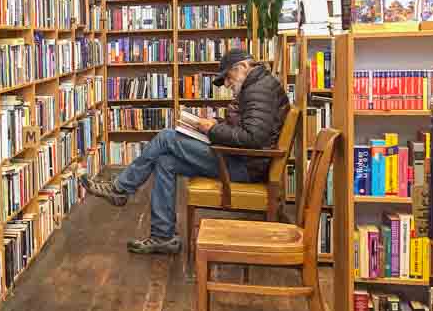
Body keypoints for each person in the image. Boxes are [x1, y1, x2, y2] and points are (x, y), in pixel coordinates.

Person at [81, 49, 289, 254]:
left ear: (243, 67)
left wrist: (213, 129)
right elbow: (249, 128)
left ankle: (120, 189)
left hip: (245, 166)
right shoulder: (259, 86)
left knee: (166, 137)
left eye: (227, 77)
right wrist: (215, 123)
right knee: (165, 161)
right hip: (240, 160)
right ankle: (163, 237)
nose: (227, 84)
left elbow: (252, 138)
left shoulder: (258, 89)